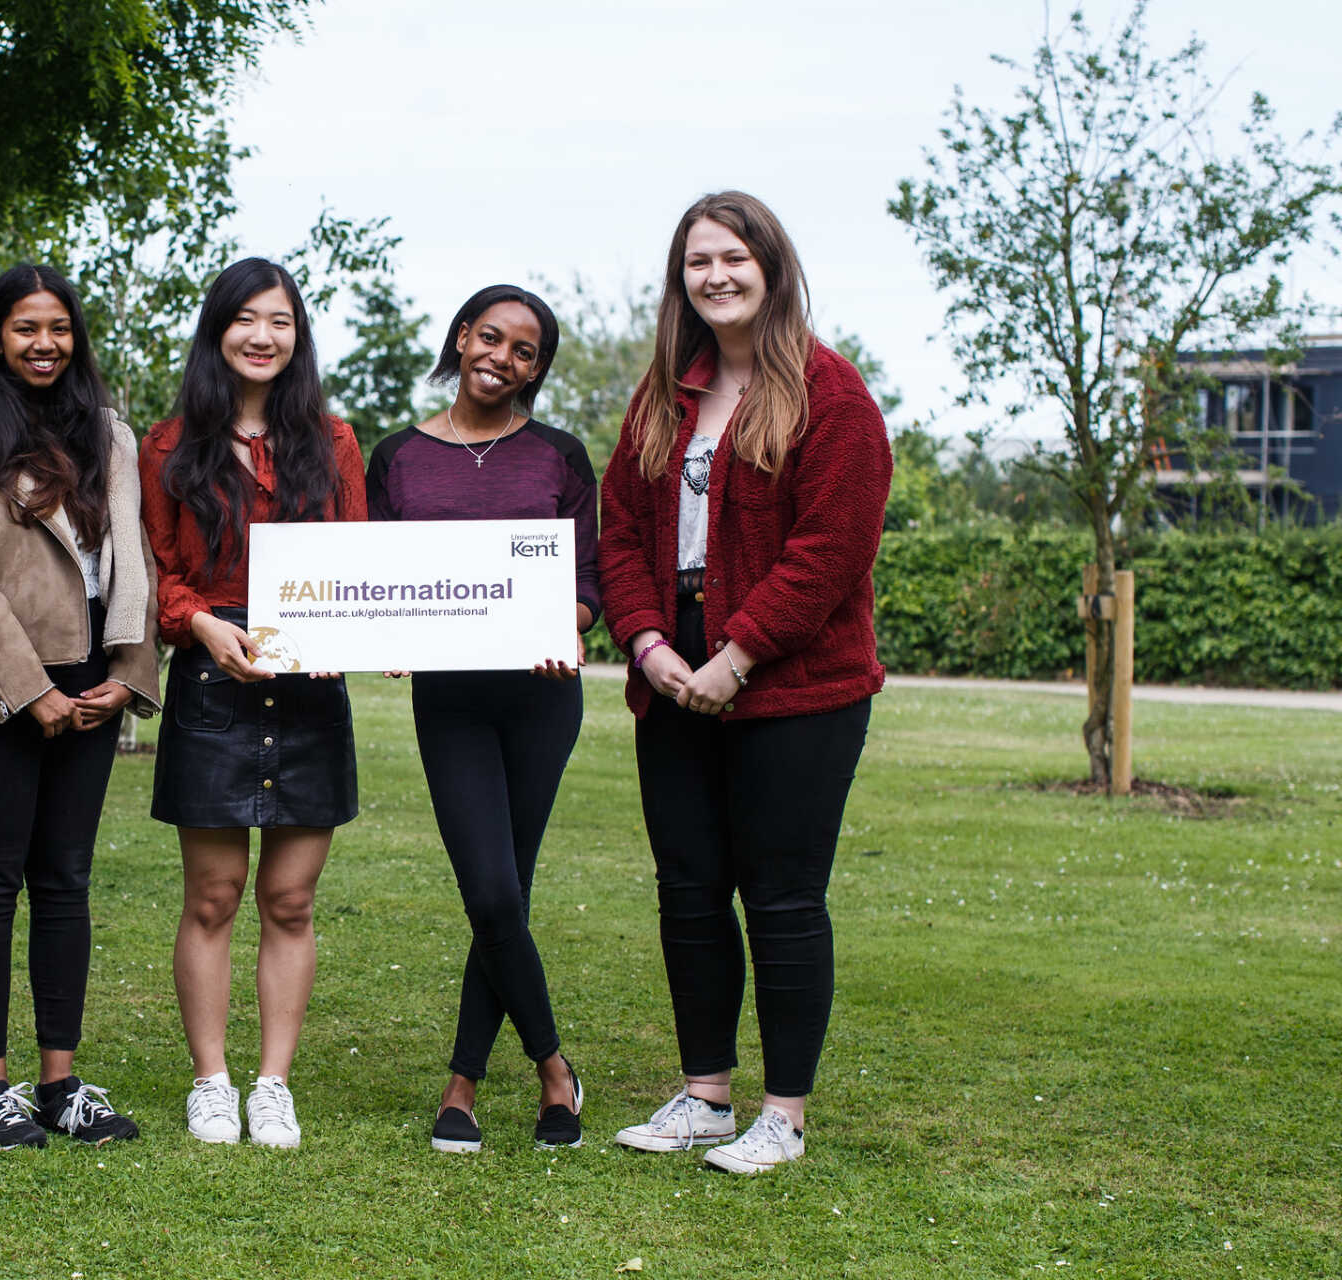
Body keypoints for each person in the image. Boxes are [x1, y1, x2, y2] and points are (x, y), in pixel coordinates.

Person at [597, 192, 891, 1174]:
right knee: (689, 889)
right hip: (673, 667)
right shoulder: (660, 398)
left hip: (794, 681)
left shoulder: (829, 393)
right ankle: (706, 1096)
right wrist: (647, 643)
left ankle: (784, 1115)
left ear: (771, 265)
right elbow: (621, 532)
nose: (716, 276)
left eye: (733, 257)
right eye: (698, 262)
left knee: (782, 897)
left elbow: (830, 549)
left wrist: (739, 655)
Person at [0, 264, 161, 1150]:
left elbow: (135, 562)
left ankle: (60, 1084)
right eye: (26, 328)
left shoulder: (108, 433)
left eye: (59, 327)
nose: (45, 343)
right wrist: (31, 692)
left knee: (65, 881)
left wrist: (128, 676)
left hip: (90, 681)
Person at [138, 257, 367, 1149]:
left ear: (297, 336)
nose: (262, 336)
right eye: (245, 318)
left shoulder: (334, 442)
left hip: (312, 689)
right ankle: (212, 1082)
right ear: (218, 330)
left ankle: (273, 1085)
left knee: (291, 901)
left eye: (280, 320)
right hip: (212, 685)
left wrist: (378, 636)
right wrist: (199, 625)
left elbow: (357, 565)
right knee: (212, 897)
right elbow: (159, 571)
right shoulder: (168, 447)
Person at [366, 285, 600, 1153]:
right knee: (492, 892)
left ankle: (462, 1085)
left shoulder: (559, 455)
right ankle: (553, 1071)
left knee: (507, 891)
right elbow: (377, 574)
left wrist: (565, 625)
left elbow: (588, 585)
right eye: (490, 337)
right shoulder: (396, 456)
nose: (502, 358)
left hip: (541, 698)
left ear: (537, 370)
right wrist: (384, 628)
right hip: (451, 700)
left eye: (524, 351)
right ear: (462, 337)